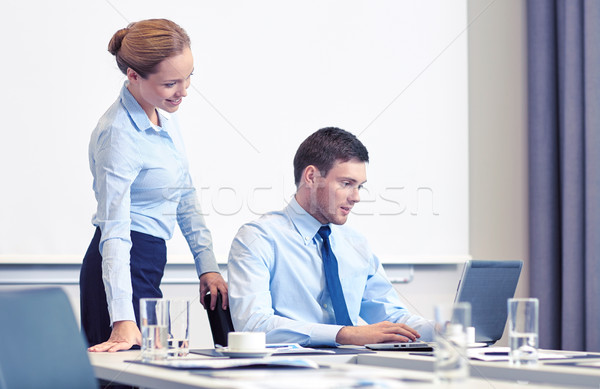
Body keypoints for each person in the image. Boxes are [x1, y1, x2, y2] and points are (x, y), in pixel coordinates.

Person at [80, 19, 228, 353]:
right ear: (133, 75)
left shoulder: (164, 117)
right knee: (123, 377)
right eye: (171, 83)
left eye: (190, 76)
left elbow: (183, 193)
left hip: (148, 259)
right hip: (123, 262)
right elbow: (115, 230)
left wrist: (208, 265)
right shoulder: (118, 135)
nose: (185, 90)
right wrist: (121, 316)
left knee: (151, 369)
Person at [228, 127, 434, 347]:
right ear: (311, 177)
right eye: (346, 184)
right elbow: (254, 326)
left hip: (356, 371)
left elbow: (392, 318)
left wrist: (447, 329)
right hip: (290, 374)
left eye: (359, 186)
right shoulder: (258, 239)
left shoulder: (356, 244)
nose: (356, 197)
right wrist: (345, 335)